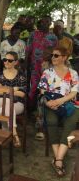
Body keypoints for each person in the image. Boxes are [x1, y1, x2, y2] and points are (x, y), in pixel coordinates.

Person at [38, 46, 79, 177]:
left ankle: (58, 159)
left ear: (64, 57)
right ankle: (59, 159)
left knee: (70, 124)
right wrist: (49, 103)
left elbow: (74, 92)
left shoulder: (73, 73)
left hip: (69, 105)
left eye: (56, 55)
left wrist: (60, 101)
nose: (53, 58)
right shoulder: (47, 72)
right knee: (51, 121)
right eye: (52, 55)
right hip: (51, 104)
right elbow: (42, 91)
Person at [0, 51, 26, 147]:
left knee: (3, 109)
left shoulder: (21, 75)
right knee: (7, 102)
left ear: (16, 62)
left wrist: (6, 90)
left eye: (10, 60)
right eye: (5, 60)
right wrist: (13, 90)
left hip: (18, 104)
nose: (6, 62)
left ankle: (6, 132)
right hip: (1, 101)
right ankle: (14, 134)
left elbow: (22, 94)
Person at [26, 16, 58, 111]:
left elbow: (56, 52)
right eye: (43, 22)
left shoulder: (53, 37)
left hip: (47, 66)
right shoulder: (33, 34)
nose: (44, 23)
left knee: (46, 87)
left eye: (47, 22)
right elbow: (28, 49)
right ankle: (31, 109)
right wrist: (26, 63)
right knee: (33, 87)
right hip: (34, 66)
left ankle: (44, 110)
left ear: (50, 23)